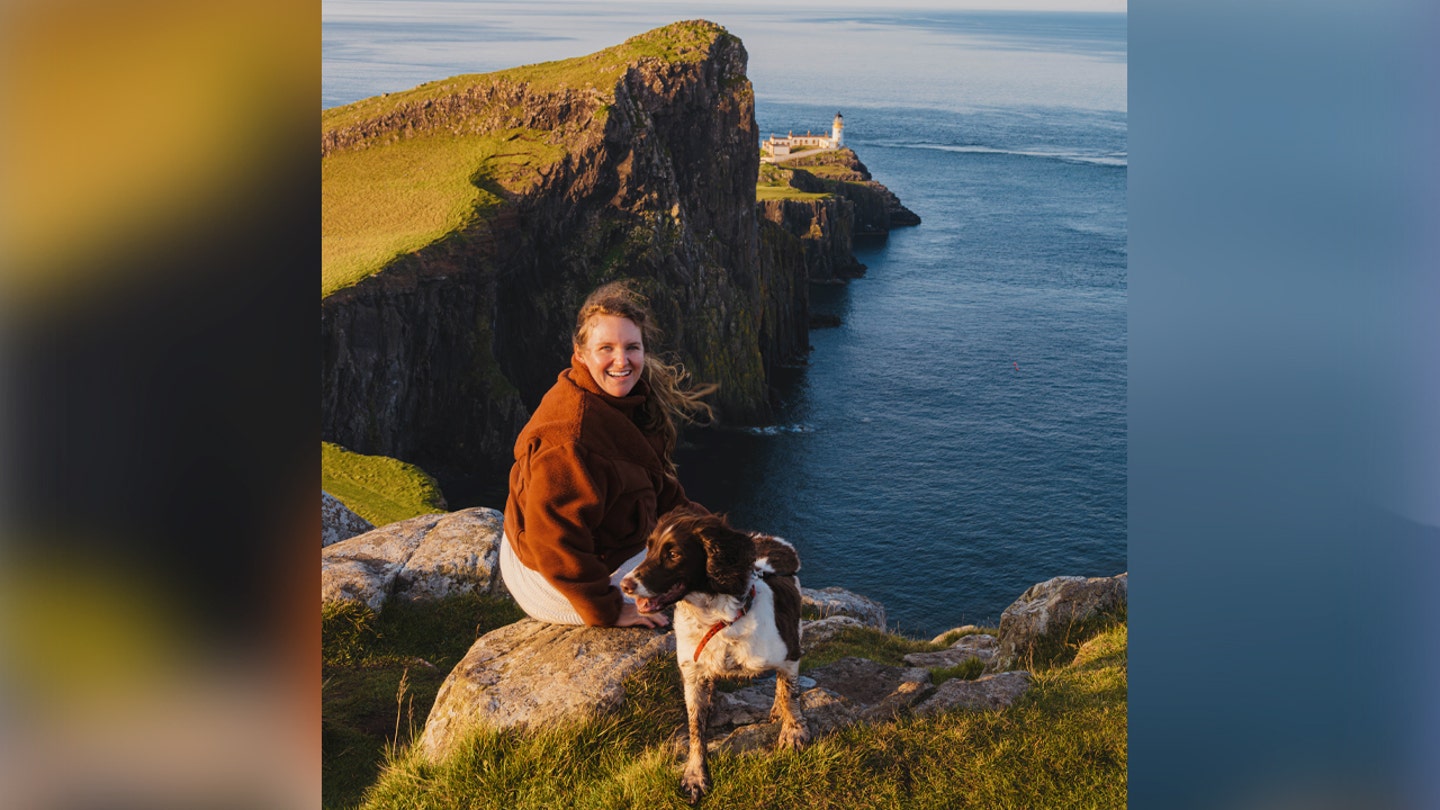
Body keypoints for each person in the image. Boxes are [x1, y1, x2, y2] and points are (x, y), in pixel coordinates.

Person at [500, 281, 716, 628]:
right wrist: (608, 609)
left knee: (706, 554)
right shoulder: (571, 438)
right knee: (690, 570)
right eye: (606, 348)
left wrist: (719, 533)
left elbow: (662, 493)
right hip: (553, 580)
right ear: (580, 352)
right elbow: (552, 540)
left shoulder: (621, 403)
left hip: (568, 554)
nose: (622, 361)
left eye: (632, 347)